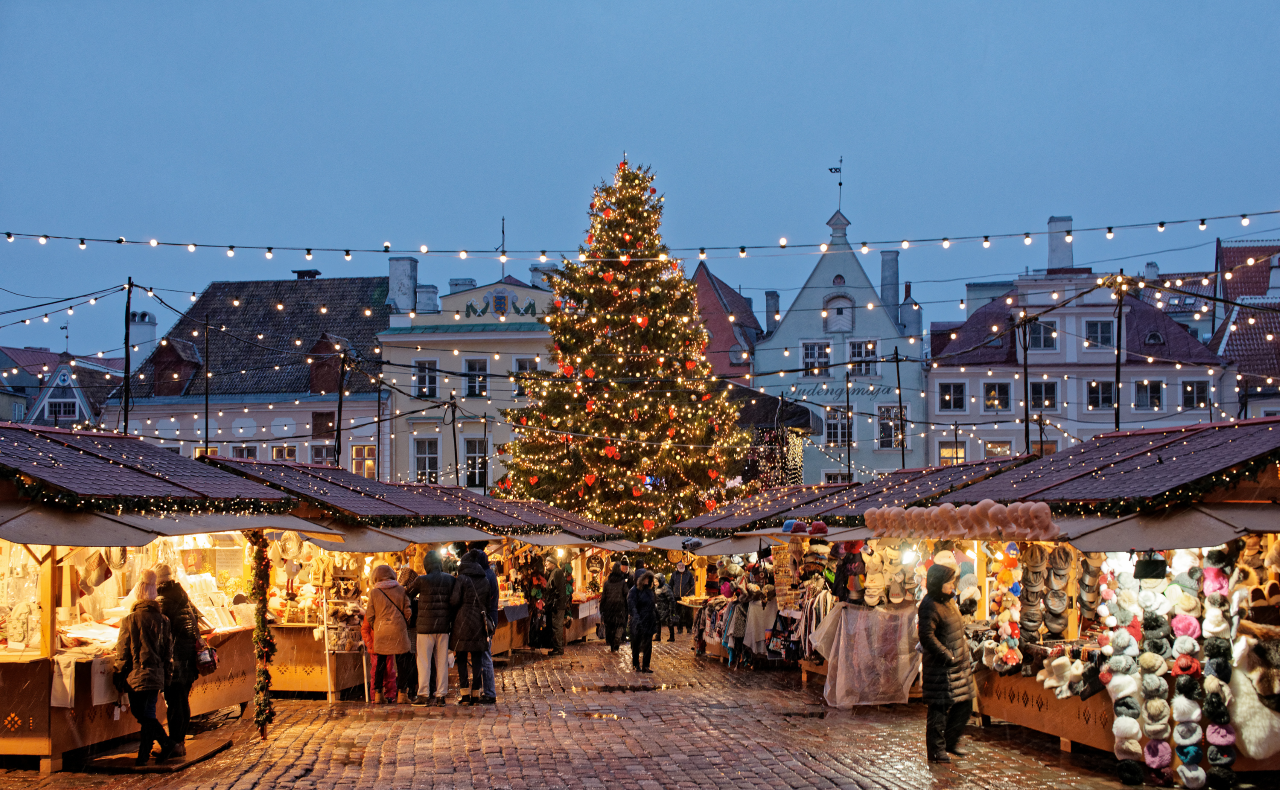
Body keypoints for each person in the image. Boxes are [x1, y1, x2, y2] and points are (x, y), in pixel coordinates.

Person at [113, 569, 176, 766]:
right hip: (155, 674)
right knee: (146, 714)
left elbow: (123, 651)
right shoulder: (163, 620)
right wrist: (167, 675)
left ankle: (159, 747)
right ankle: (151, 750)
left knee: (142, 714)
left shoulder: (130, 620)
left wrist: (118, 673)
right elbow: (168, 652)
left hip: (136, 674)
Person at [917, 563, 974, 763]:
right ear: (938, 582)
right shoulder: (929, 604)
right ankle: (936, 750)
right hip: (941, 667)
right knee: (938, 709)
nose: (952, 585)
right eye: (949, 582)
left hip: (958, 665)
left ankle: (950, 741)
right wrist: (946, 655)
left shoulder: (948, 601)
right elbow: (926, 636)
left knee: (965, 703)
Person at [156, 564, 200, 756]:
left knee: (174, 702)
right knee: (182, 701)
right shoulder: (183, 597)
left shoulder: (163, 601)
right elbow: (196, 621)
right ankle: (179, 742)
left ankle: (174, 743)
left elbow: (161, 631)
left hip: (175, 659)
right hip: (188, 658)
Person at [406, 550, 454, 706]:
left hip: (425, 628)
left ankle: (423, 694)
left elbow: (408, 593)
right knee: (442, 662)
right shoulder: (449, 579)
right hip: (443, 626)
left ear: (426, 565)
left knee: (424, 662)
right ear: (440, 563)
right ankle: (441, 695)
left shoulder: (421, 580)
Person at [451, 549, 494, 705]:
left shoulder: (461, 579)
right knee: (477, 660)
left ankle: (465, 694)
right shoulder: (484, 580)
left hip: (462, 623)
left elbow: (454, 601)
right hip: (478, 623)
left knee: (461, 659)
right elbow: (487, 604)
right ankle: (476, 693)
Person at [365, 564, 412, 704]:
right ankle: (402, 694)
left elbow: (370, 615)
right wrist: (404, 624)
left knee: (380, 663)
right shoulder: (401, 590)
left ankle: (378, 694)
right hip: (399, 630)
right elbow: (408, 611)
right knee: (402, 663)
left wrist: (377, 627)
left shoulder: (374, 593)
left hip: (381, 631)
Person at [467, 541, 499, 702]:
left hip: (485, 619)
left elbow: (484, 599)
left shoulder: (485, 576)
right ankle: (483, 690)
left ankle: (490, 692)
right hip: (489, 617)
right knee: (483, 655)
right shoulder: (490, 574)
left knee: (485, 656)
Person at [394, 564, 419, 704]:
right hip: (410, 632)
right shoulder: (410, 596)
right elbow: (412, 616)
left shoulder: (396, 594)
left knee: (401, 662)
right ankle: (410, 690)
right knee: (410, 661)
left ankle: (402, 690)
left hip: (399, 631)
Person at [627, 570, 657, 673]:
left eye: (648, 578)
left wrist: (655, 615)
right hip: (638, 620)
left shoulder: (649, 590)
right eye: (645, 578)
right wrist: (636, 618)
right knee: (636, 643)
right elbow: (632, 606)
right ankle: (636, 664)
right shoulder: (634, 591)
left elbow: (652, 604)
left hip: (649, 620)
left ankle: (646, 665)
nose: (647, 580)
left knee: (648, 644)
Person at [600, 562, 629, 652]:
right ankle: (617, 638)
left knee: (610, 625)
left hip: (609, 607)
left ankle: (612, 644)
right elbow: (627, 594)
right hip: (620, 606)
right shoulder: (622, 582)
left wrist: (602, 608)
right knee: (620, 624)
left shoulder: (607, 583)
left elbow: (604, 597)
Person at [547, 555, 570, 657]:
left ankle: (559, 648)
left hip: (557, 605)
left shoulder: (557, 572)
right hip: (557, 604)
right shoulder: (554, 572)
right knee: (556, 626)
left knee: (557, 626)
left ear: (552, 563)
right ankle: (557, 648)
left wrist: (554, 603)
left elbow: (557, 589)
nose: (545, 564)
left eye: (547, 562)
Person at [668, 561, 696, 634]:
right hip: (677, 597)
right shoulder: (674, 574)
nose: (681, 566)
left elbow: (692, 585)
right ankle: (679, 629)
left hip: (687, 598)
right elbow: (670, 585)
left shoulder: (689, 574)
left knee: (688, 613)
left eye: (682, 565)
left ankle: (689, 628)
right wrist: (671, 594)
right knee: (678, 613)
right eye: (679, 565)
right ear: (677, 566)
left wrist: (692, 594)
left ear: (684, 565)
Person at [653, 573, 675, 643]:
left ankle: (672, 636)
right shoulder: (656, 588)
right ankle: (658, 636)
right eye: (654, 582)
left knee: (669, 621)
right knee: (657, 621)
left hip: (665, 608)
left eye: (656, 582)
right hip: (658, 607)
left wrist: (671, 608)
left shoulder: (665, 588)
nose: (655, 583)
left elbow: (671, 598)